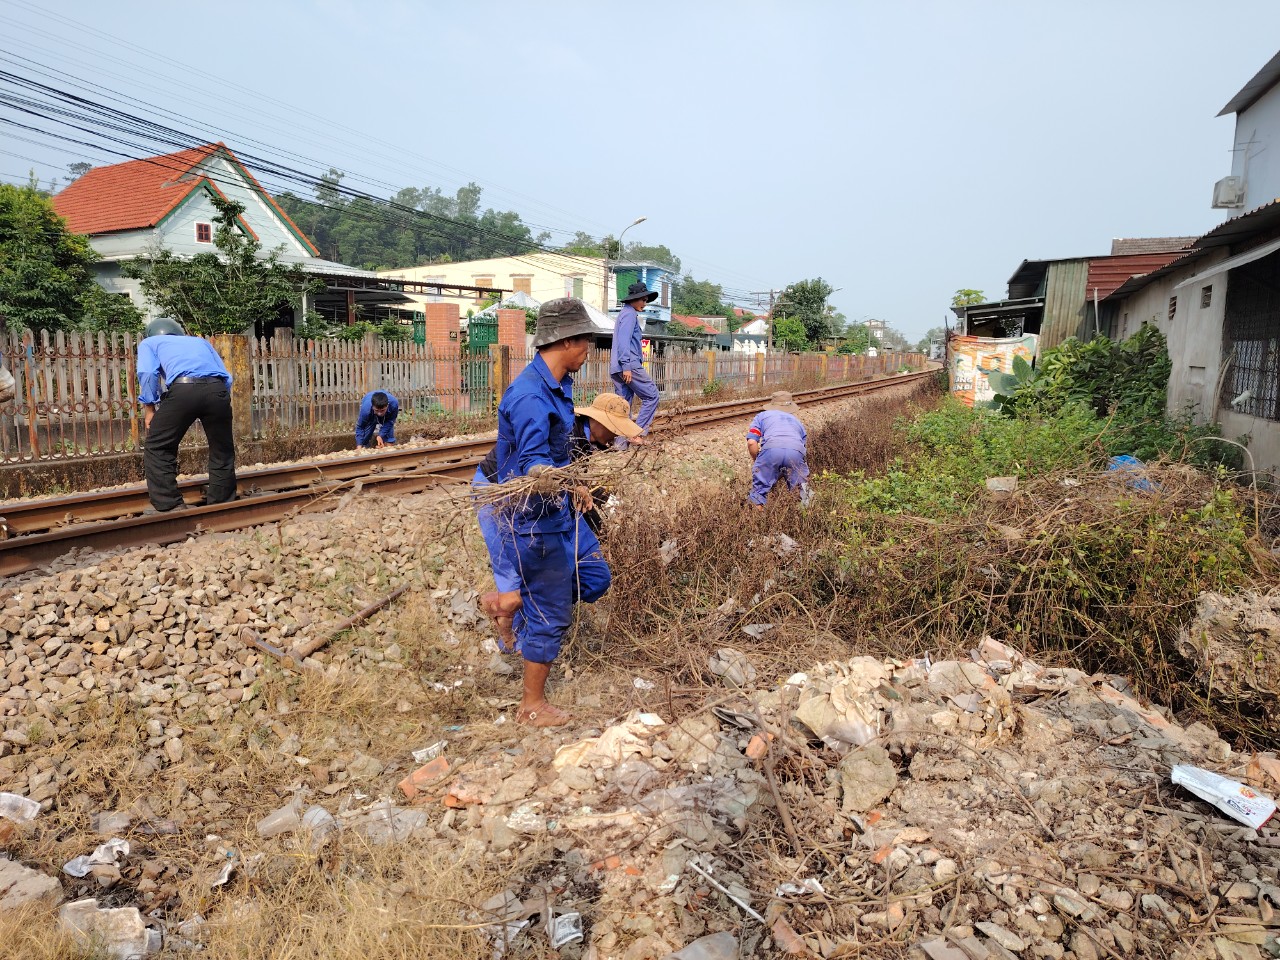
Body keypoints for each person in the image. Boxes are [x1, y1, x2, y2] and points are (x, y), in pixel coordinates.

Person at [480, 297, 613, 728]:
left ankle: (522, 605)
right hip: (531, 519)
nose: (589, 350)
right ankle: (531, 706)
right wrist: (568, 480)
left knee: (588, 579)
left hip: (553, 511)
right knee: (552, 611)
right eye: (587, 341)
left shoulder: (557, 385)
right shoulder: (530, 397)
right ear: (567, 340)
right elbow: (535, 463)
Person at [474, 392, 641, 648]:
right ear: (598, 422)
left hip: (553, 505)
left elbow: (571, 486)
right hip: (499, 494)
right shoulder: (563, 433)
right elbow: (538, 472)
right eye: (614, 429)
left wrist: (595, 520)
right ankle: (515, 637)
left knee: (596, 578)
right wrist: (572, 487)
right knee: (516, 573)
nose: (617, 436)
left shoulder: (589, 443)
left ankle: (521, 601)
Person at [136, 316, 236, 513]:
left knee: (158, 446)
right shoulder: (200, 341)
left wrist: (150, 408)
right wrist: (217, 398)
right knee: (221, 449)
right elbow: (226, 375)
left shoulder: (150, 342)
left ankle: (169, 504)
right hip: (218, 389)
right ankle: (222, 503)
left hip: (183, 389)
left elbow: (148, 374)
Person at [609, 281, 661, 441]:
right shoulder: (630, 314)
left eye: (646, 300)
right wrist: (626, 366)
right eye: (643, 300)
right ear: (634, 299)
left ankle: (620, 446)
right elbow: (624, 342)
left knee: (624, 407)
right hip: (628, 364)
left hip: (616, 367)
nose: (645, 304)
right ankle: (636, 433)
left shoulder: (623, 314)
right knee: (652, 396)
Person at [745, 391, 811, 508]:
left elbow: (751, 442)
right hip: (796, 452)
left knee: (758, 495)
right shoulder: (797, 422)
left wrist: (758, 460)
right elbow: (802, 450)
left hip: (770, 451)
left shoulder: (761, 416)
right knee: (803, 493)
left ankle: (756, 522)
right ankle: (805, 520)